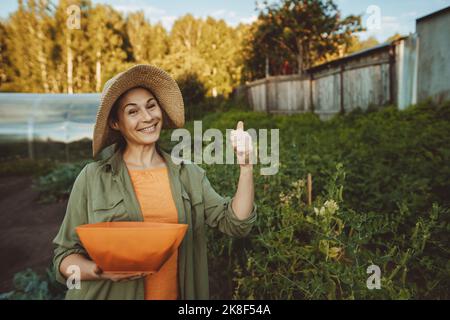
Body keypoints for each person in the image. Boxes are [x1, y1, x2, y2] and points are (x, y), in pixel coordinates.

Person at [52, 64, 257, 300]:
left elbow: (236, 224)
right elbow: (63, 260)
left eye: (151, 106)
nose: (147, 117)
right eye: (132, 111)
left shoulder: (188, 174)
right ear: (115, 123)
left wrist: (246, 167)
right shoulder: (92, 178)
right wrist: (98, 271)